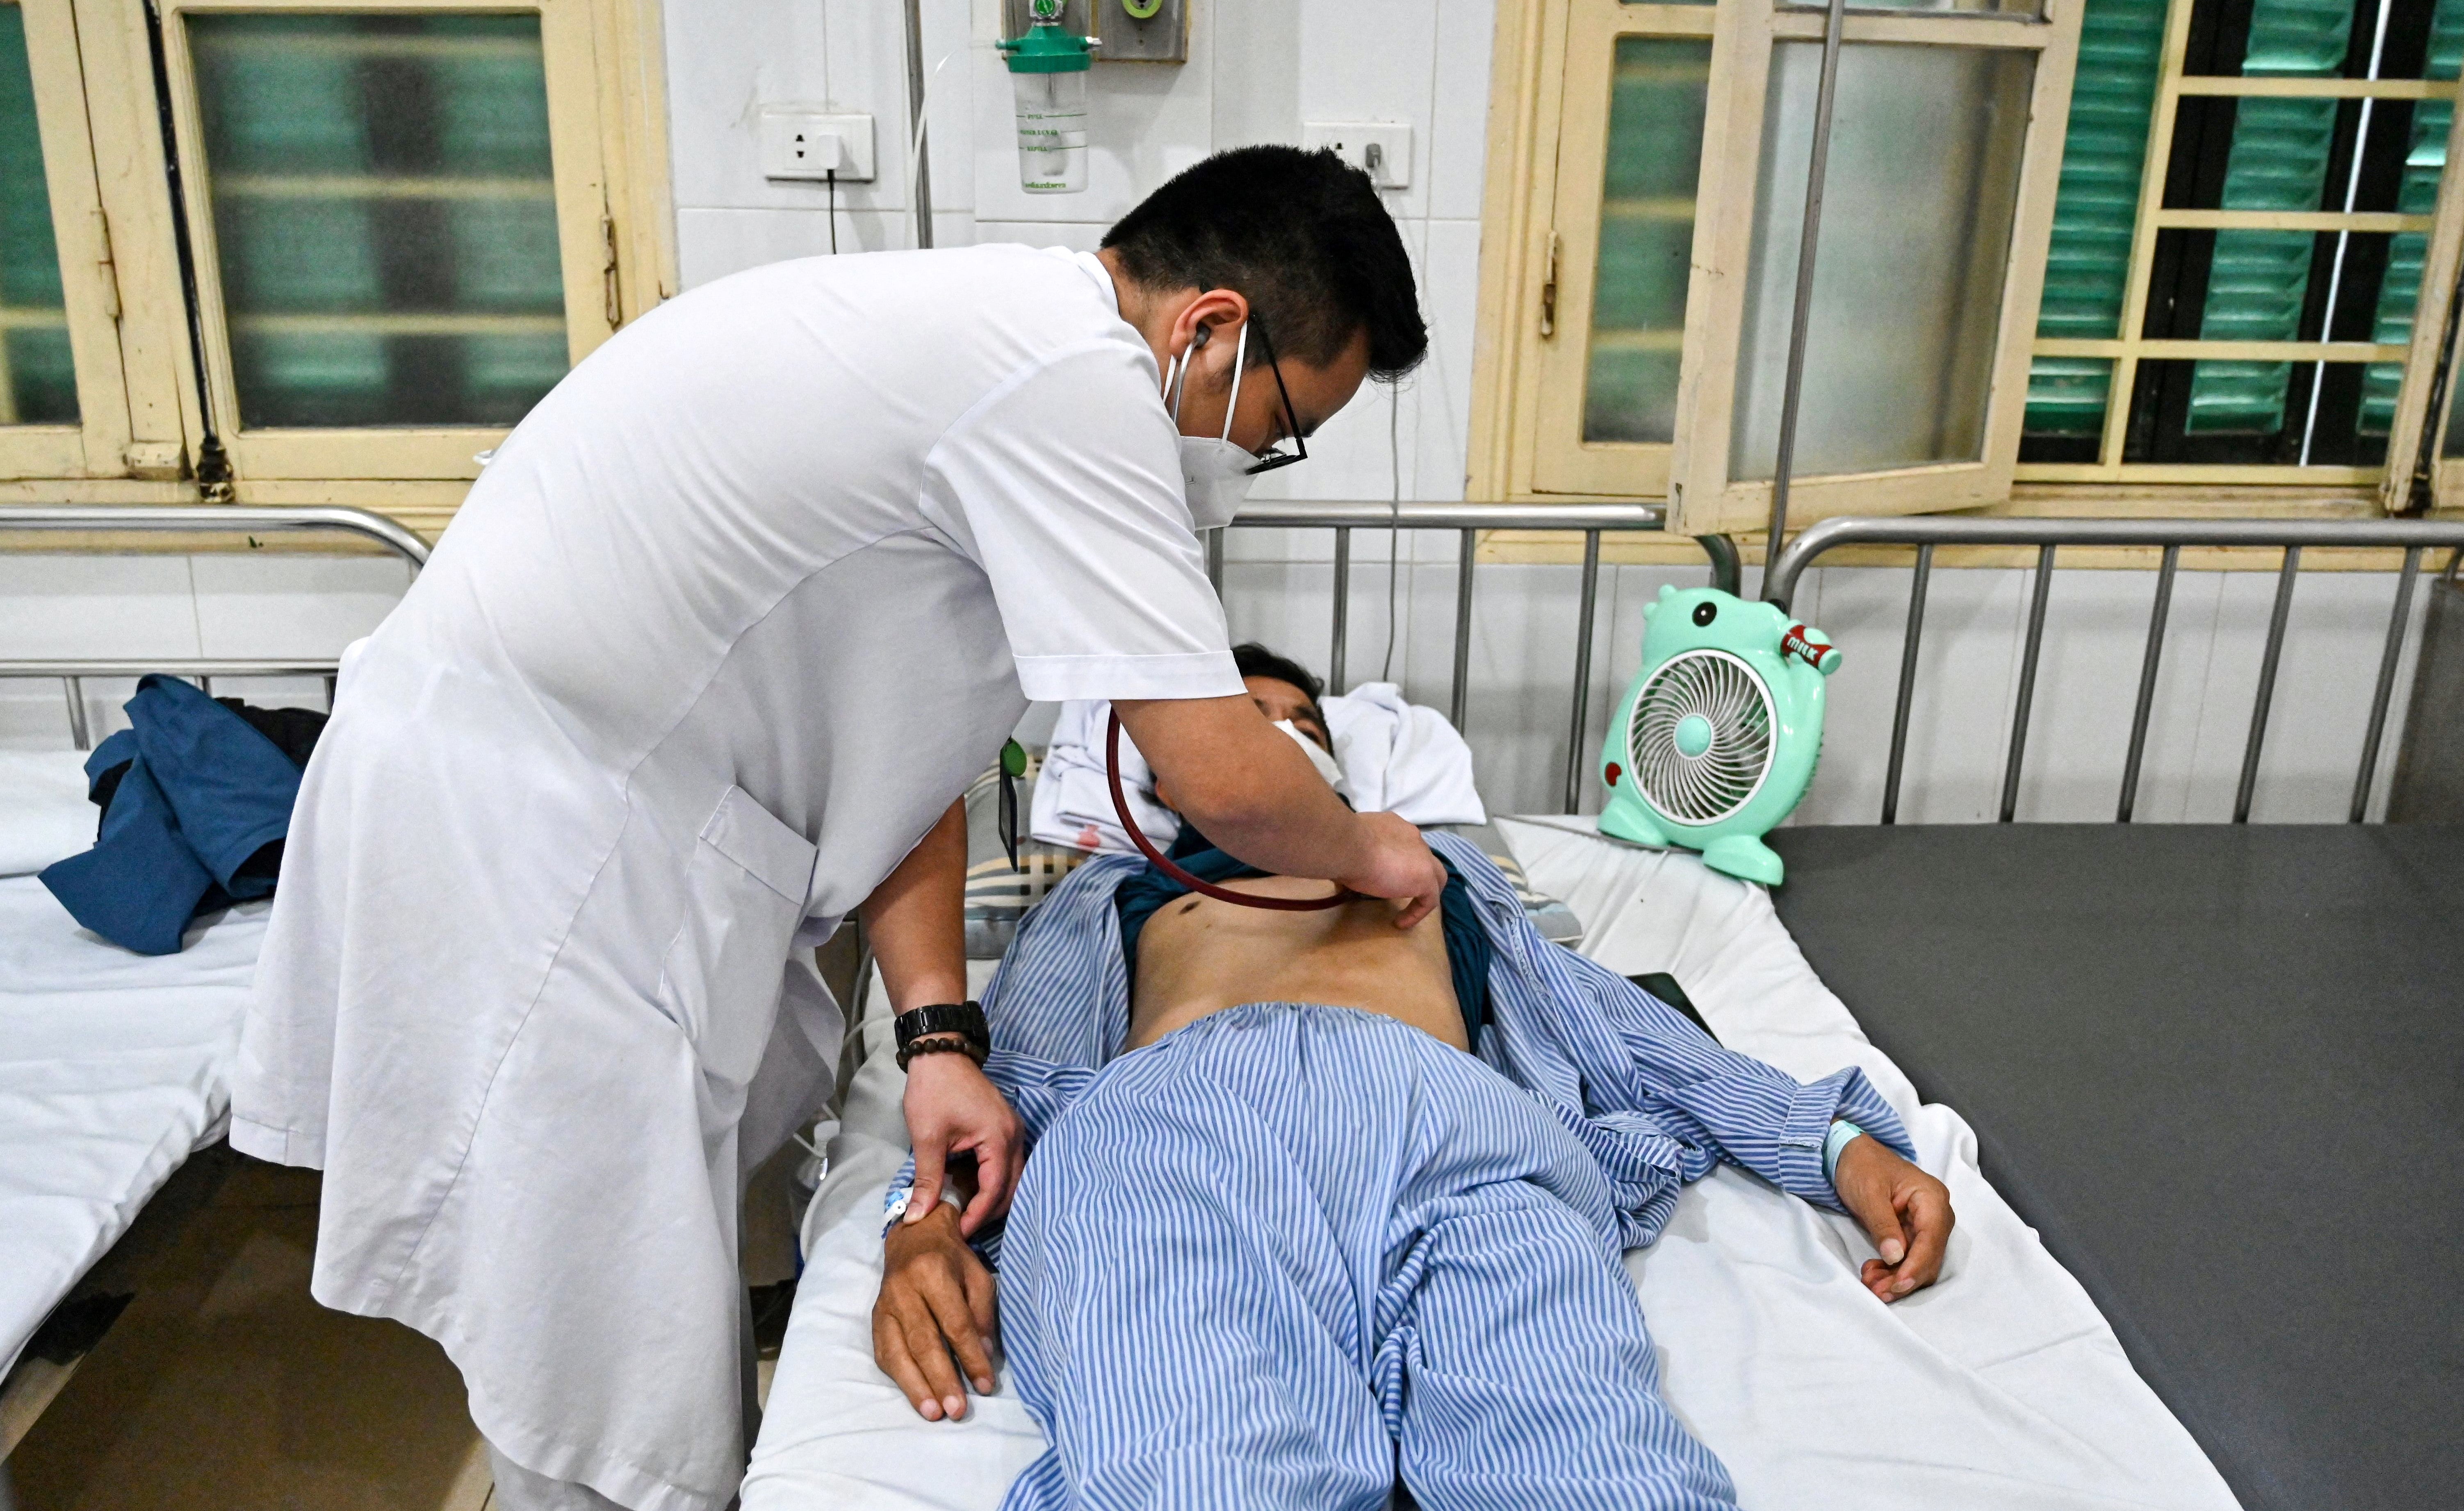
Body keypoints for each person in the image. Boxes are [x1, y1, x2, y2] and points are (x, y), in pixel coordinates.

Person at [231, 146, 1451, 1511]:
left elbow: (909, 749)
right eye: (1279, 428)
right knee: (596, 1368)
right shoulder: (1069, 385)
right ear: (1208, 328)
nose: (1251, 468)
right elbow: (1221, 776)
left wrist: (935, 1036)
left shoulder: (983, 353)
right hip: (546, 848)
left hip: (616, 817)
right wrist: (1370, 848)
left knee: (666, 1289)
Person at [871, 710, 1954, 1509]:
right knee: (1198, 1467)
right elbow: (1008, 1067)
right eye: (1230, 723)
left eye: (1291, 723)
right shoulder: (1122, 885)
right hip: (1183, 1134)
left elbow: (1606, 1021)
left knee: (1586, 1460)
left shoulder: (1440, 872)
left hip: (1456, 1141)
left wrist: (1834, 1144)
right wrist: (919, 1221)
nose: (1266, 740)